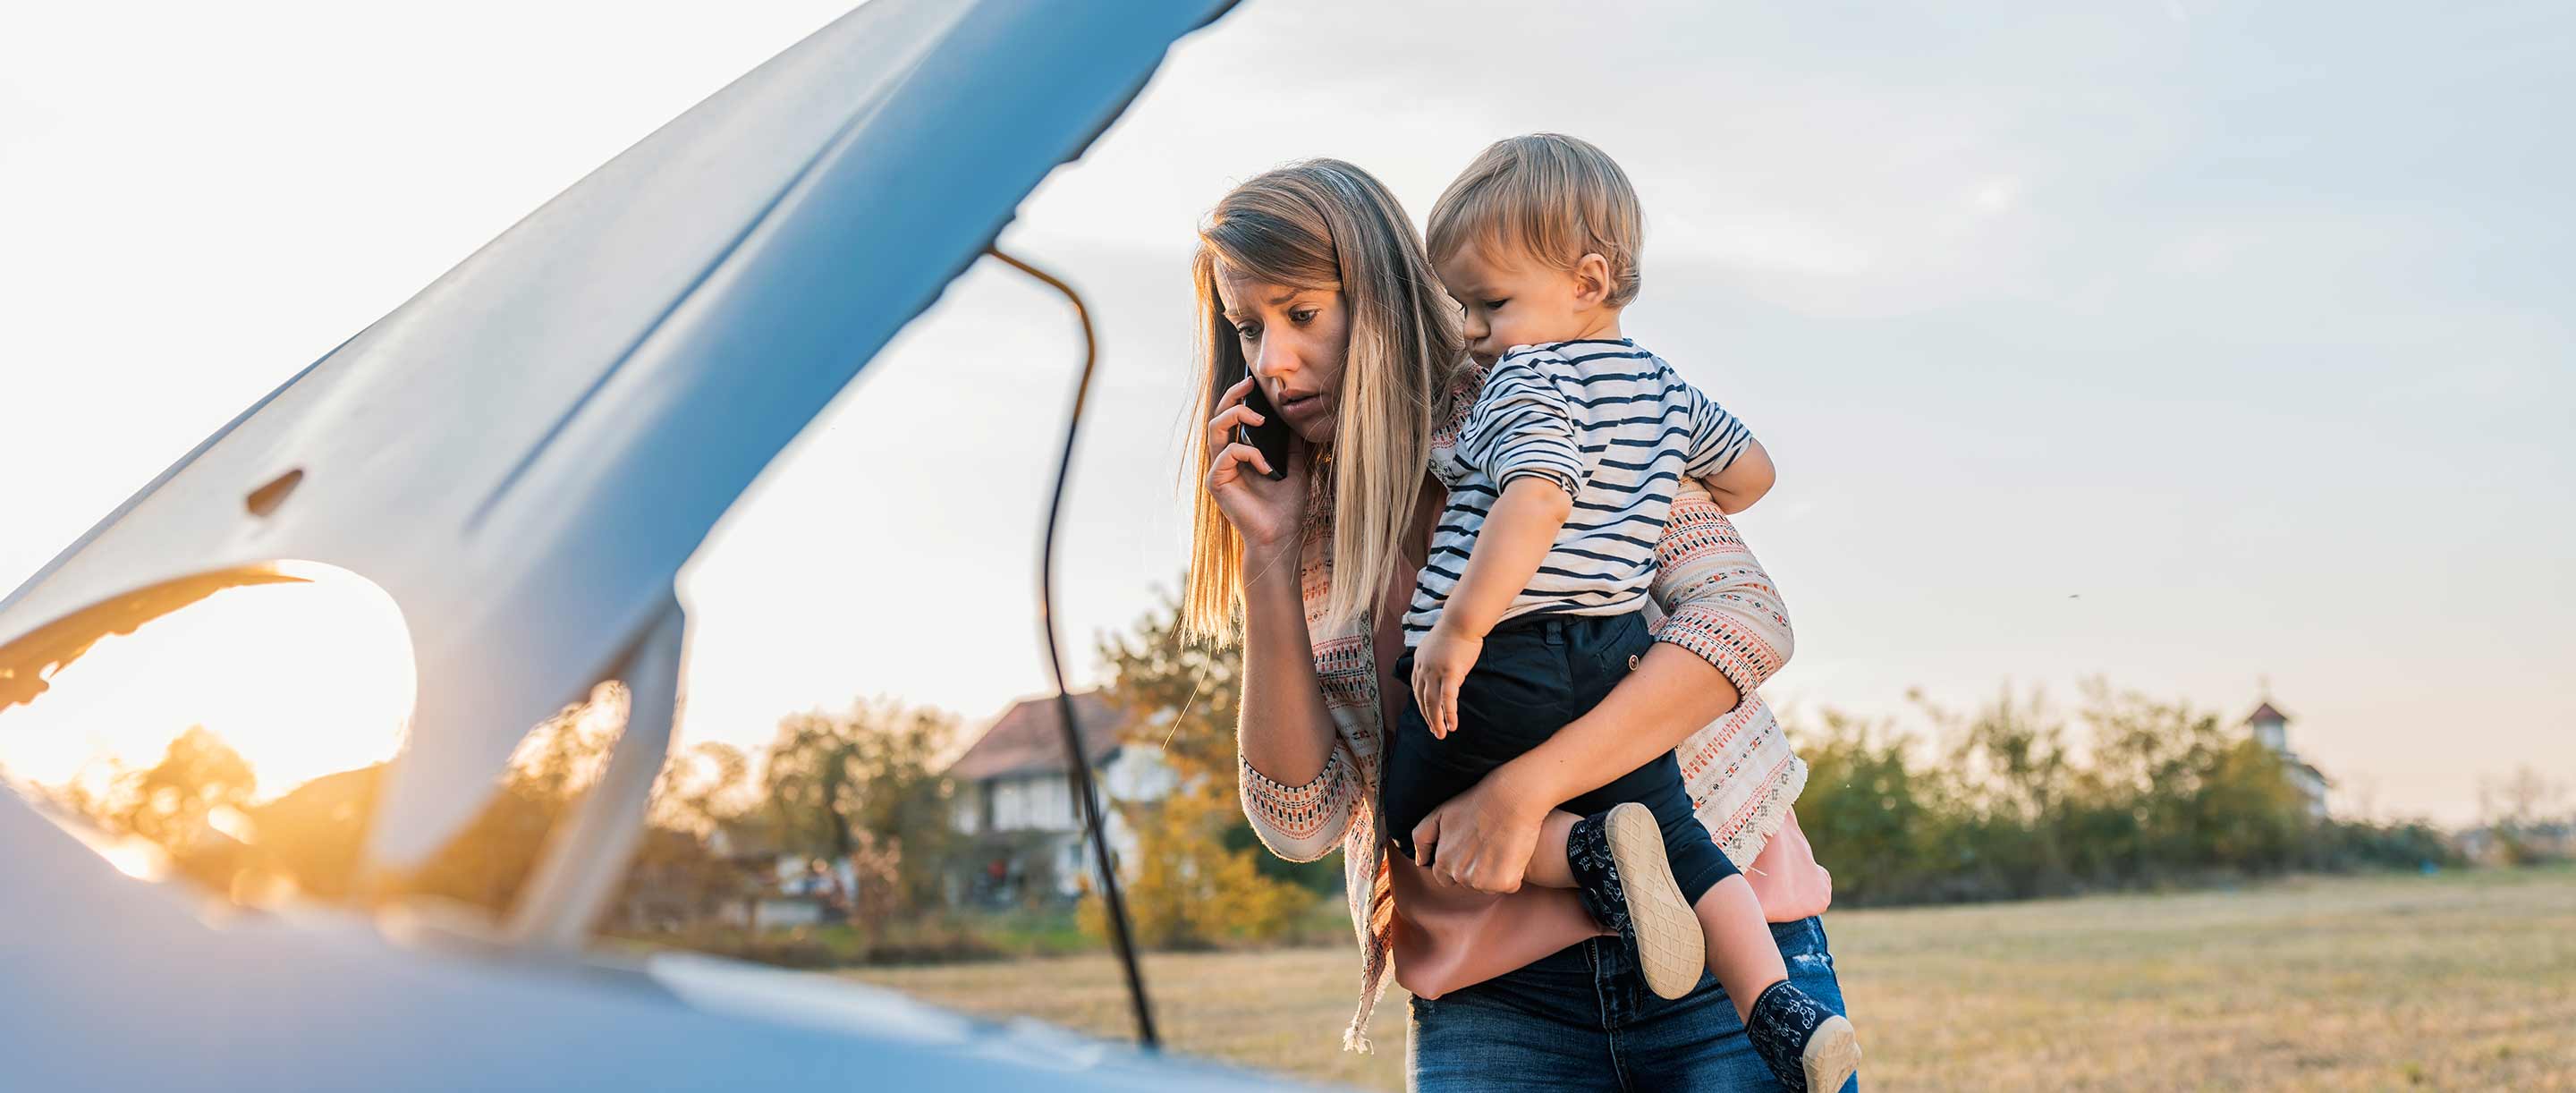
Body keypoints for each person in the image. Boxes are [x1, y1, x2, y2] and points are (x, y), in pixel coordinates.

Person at [1184, 157, 1854, 1091]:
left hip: (1728, 960)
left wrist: (1525, 794)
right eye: (1248, 328)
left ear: (1381, 296)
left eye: (1302, 314)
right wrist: (1266, 556)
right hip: (1495, 1009)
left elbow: (1744, 618)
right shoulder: (1305, 523)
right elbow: (1302, 818)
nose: (1271, 362)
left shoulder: (1546, 395)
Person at [1376, 133, 1857, 1092]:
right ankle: (1779, 1011)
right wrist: (1650, 482)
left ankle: (1589, 850)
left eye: (1489, 304)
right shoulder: (1665, 389)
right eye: (1462, 308)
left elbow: (1538, 496)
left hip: (1510, 654)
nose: (1473, 331)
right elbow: (1753, 472)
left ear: (1587, 280)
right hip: (1616, 655)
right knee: (1685, 841)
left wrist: (1460, 626)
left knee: (1413, 810)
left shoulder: (1523, 381)